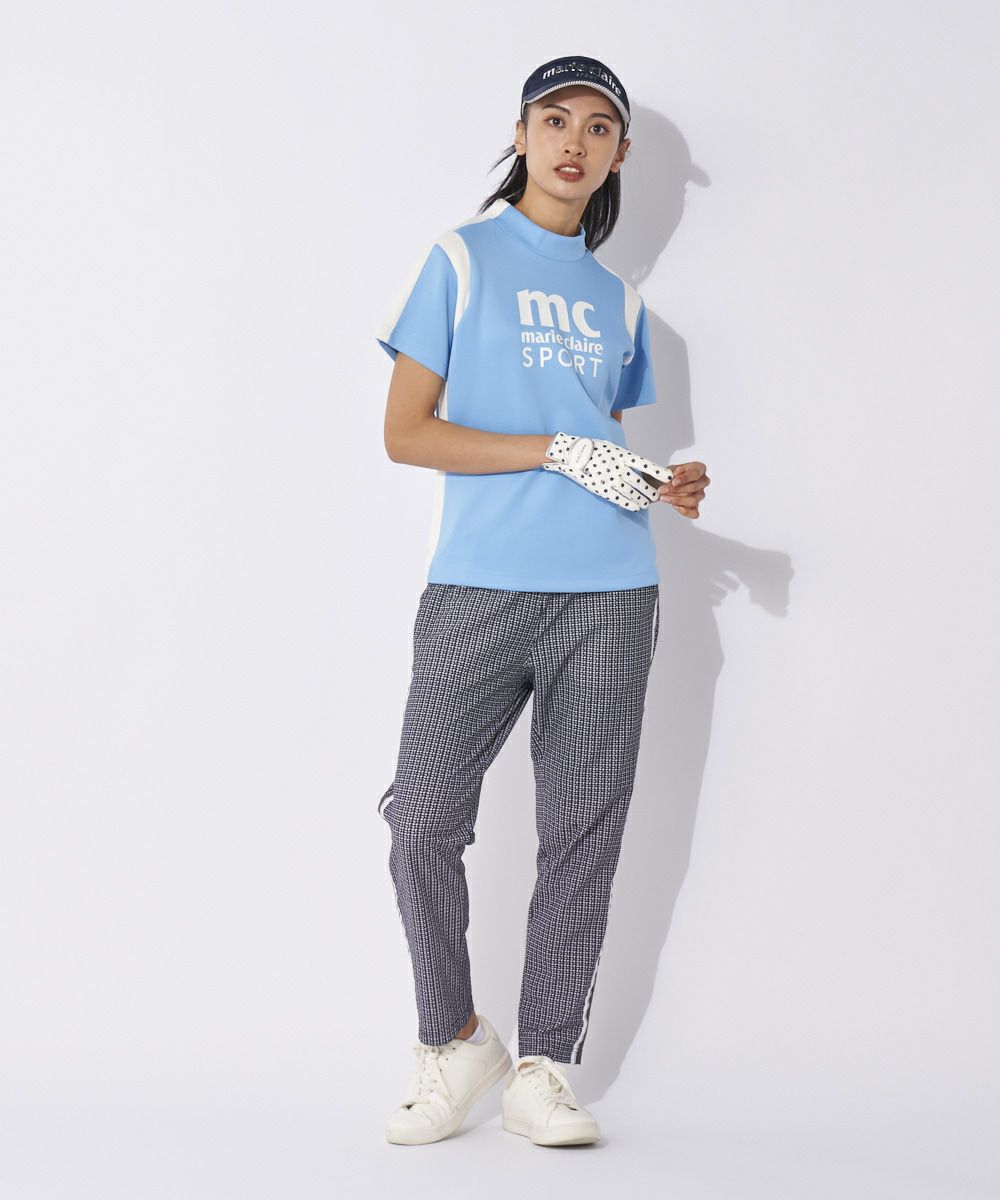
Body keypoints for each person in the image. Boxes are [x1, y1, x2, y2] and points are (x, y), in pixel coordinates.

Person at [373, 54, 710, 1148]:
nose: (575, 141)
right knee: (422, 820)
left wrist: (665, 485)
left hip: (610, 590)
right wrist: (552, 449)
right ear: (521, 134)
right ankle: (453, 1038)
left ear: (619, 155)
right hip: (478, 585)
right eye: (555, 119)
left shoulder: (624, 304)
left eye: (599, 127)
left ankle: (543, 1067)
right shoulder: (459, 260)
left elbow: (607, 446)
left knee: (582, 833)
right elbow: (406, 433)